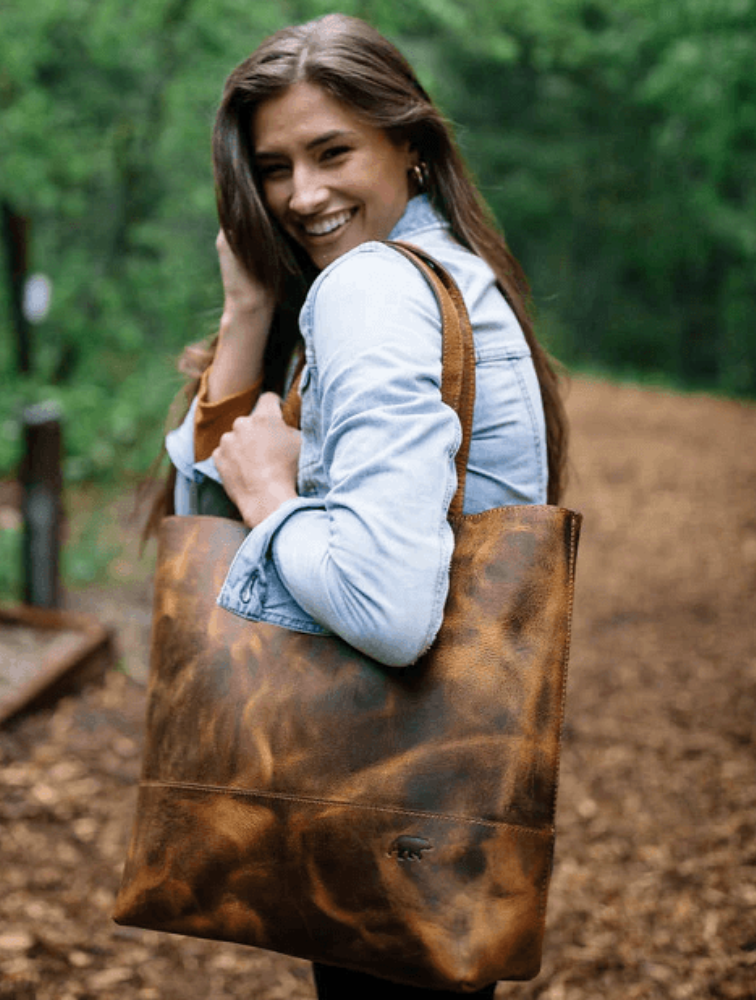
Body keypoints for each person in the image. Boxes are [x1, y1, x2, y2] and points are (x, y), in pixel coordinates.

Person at [147, 12, 568, 998]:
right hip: (430, 817)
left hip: (380, 794)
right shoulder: (449, 278)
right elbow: (197, 508)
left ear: (410, 145)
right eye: (274, 166)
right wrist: (249, 312)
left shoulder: (372, 289)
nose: (301, 194)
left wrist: (270, 495)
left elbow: (383, 609)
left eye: (332, 151)